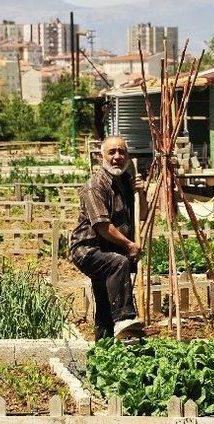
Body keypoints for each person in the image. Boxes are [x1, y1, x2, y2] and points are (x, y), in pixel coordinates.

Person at [69, 136, 145, 340]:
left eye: (122, 152)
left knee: (104, 302)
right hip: (88, 250)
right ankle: (125, 319)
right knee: (118, 264)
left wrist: (140, 193)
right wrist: (129, 244)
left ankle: (103, 350)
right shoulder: (95, 186)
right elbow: (103, 227)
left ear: (128, 156)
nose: (117, 157)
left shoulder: (124, 184)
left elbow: (142, 214)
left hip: (108, 250)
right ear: (101, 156)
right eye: (112, 152)